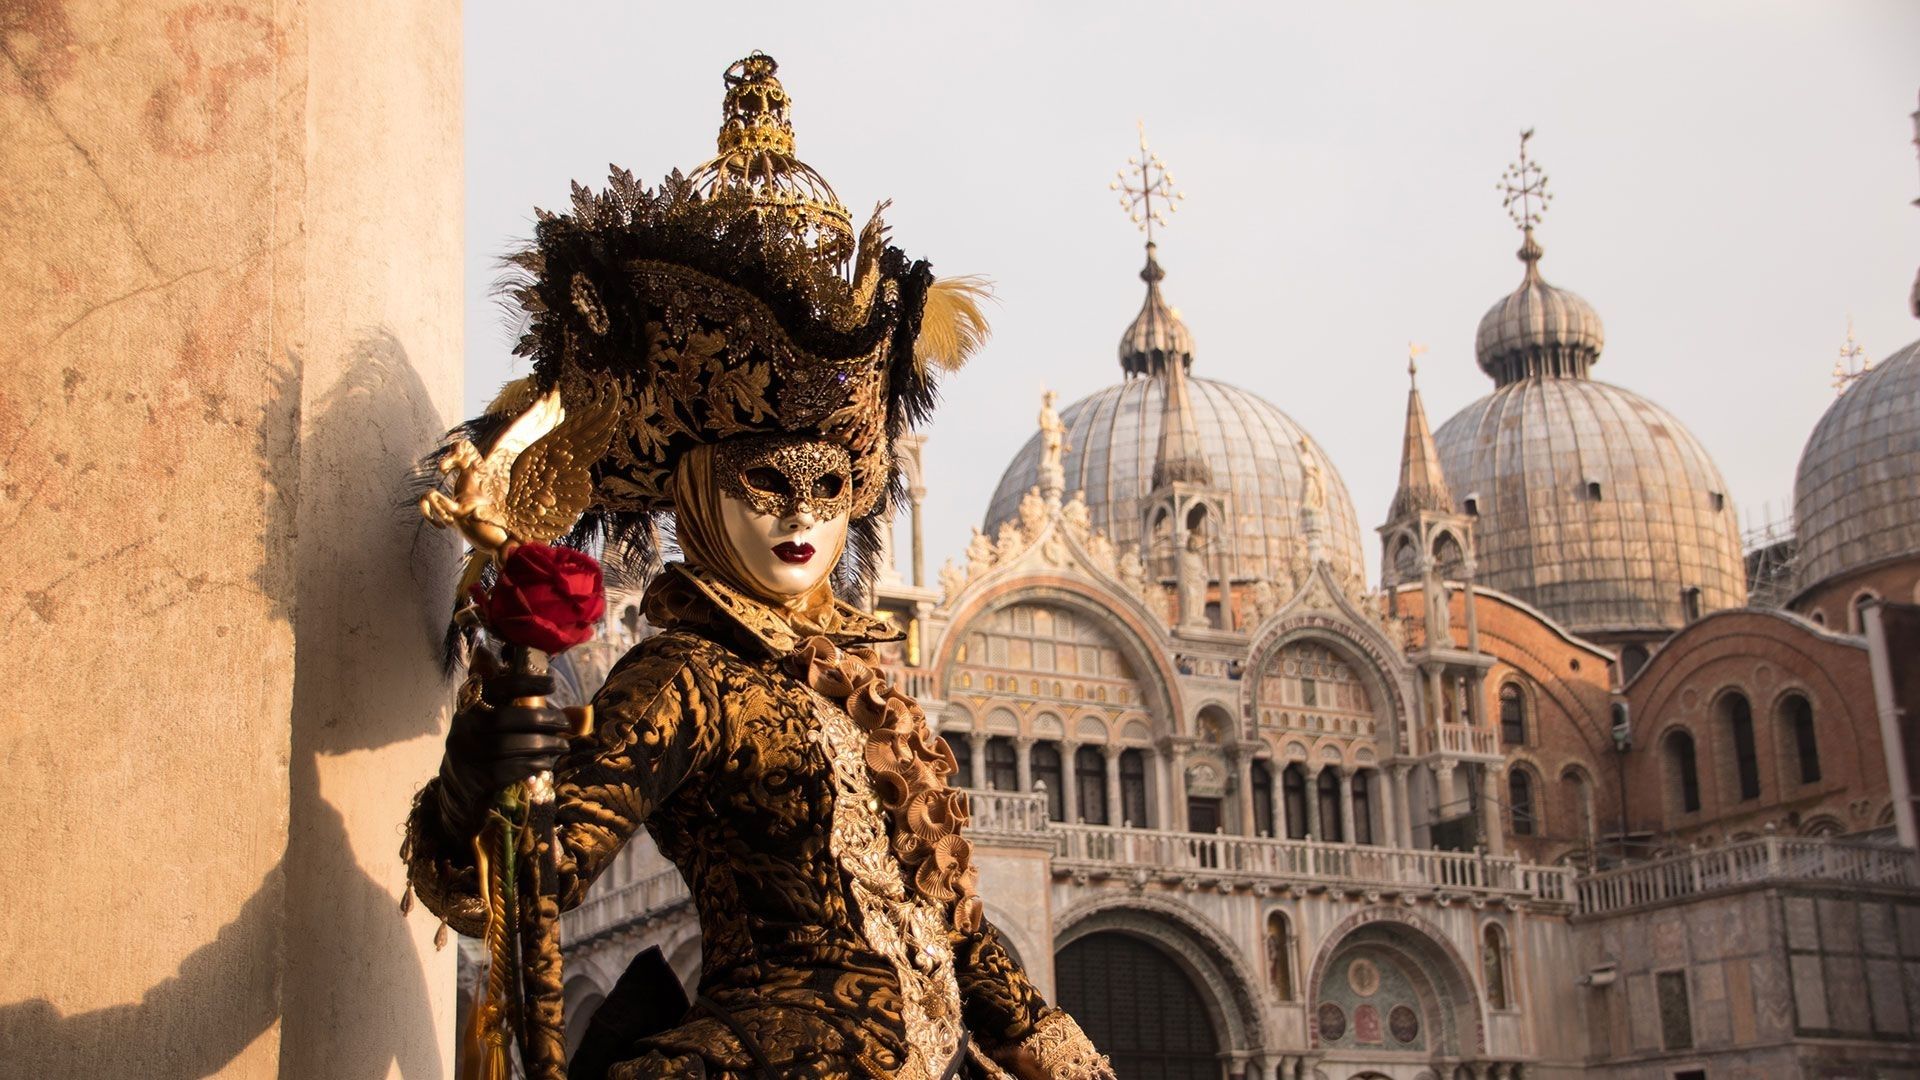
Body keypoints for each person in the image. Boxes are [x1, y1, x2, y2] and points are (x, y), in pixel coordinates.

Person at [402, 54, 1112, 1080]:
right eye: (766, 483)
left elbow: (950, 932)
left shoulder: (862, 692)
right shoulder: (684, 677)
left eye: (828, 492)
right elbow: (505, 885)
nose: (800, 519)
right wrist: (489, 754)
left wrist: (1056, 1051)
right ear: (697, 490)